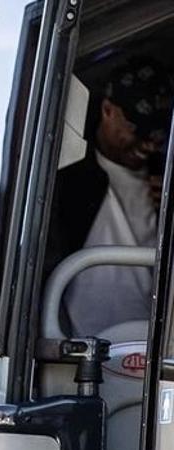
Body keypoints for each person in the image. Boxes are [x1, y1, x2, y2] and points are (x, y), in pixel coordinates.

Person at [51, 57, 174, 337]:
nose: (149, 144)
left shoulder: (165, 177)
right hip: (80, 349)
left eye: (159, 134)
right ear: (108, 110)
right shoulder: (67, 177)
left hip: (157, 349)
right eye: (137, 130)